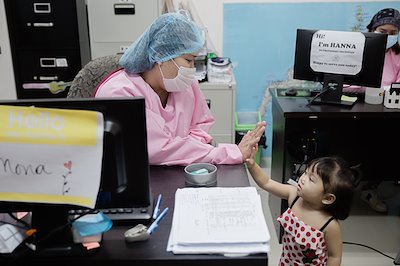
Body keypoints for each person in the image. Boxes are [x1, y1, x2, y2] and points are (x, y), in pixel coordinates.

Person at [94, 11, 266, 166]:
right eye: (189, 60)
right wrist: (228, 152)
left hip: (180, 170)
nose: (192, 68)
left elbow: (201, 122)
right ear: (161, 56)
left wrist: (189, 146)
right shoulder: (119, 93)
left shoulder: (184, 84)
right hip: (137, 178)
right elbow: (158, 150)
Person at [246, 150, 358, 265]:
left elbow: (334, 256)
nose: (303, 178)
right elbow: (267, 183)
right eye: (305, 172)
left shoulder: (330, 225)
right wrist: (252, 165)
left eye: (311, 179)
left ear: (327, 198)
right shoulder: (294, 195)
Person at [359, 8, 400, 213]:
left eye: (393, 33)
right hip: (357, 106)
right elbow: (349, 83)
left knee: (385, 141)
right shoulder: (359, 50)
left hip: (387, 109)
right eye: (383, 31)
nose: (388, 36)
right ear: (372, 29)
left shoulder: (397, 55)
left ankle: (370, 188)